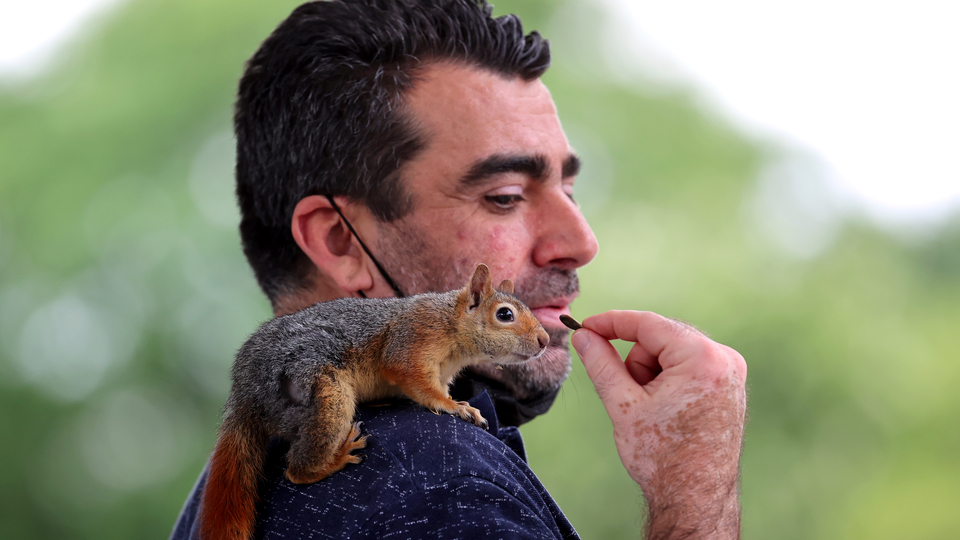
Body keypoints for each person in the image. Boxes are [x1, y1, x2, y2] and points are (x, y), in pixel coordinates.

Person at [170, 0, 747, 538]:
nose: (581, 241)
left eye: (569, 188)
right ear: (341, 241)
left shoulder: (251, 467)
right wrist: (692, 491)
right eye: (503, 196)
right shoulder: (438, 484)